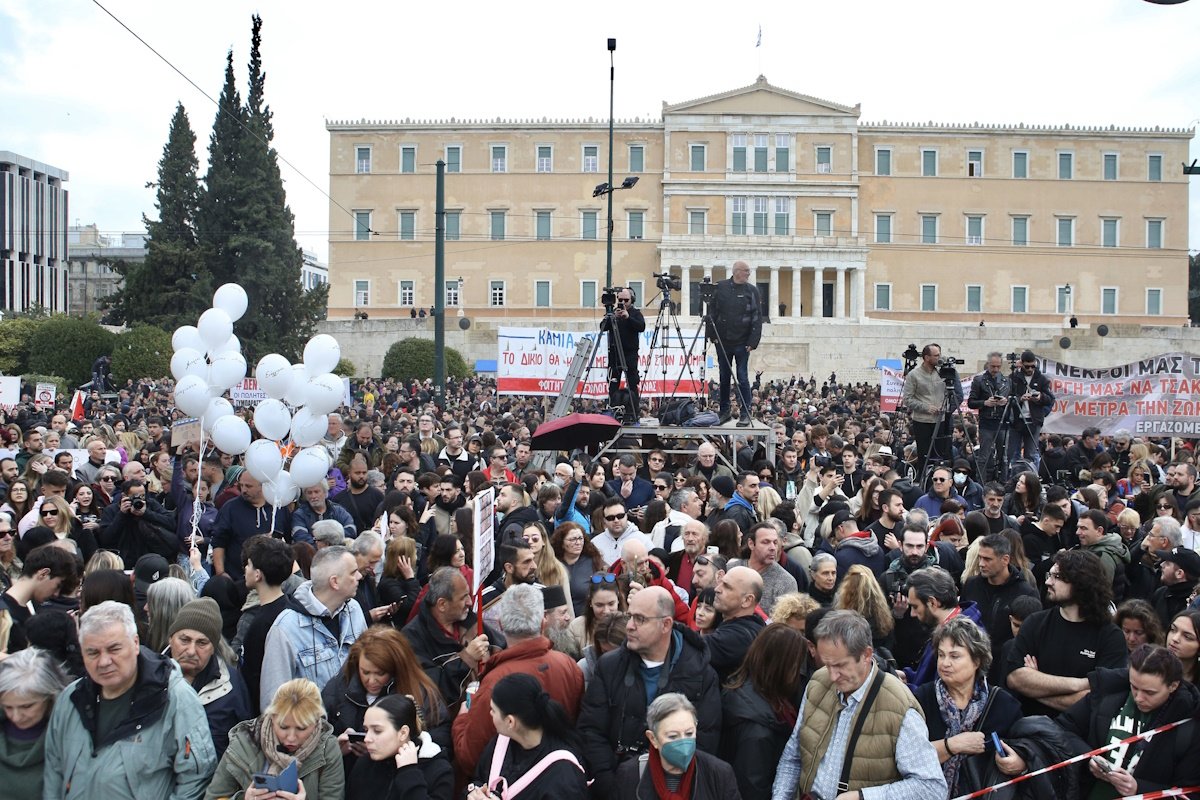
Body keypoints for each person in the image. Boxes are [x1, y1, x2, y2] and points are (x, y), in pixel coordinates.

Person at [44, 600, 217, 800]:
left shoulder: (175, 699)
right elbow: (54, 771)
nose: (104, 662)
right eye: (93, 652)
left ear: (135, 643)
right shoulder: (71, 699)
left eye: (114, 649)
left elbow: (196, 779)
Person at [771, 610, 947, 800]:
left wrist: (862, 797)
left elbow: (931, 787)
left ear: (866, 655)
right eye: (827, 664)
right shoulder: (818, 683)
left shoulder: (899, 706)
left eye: (840, 666)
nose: (831, 676)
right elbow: (793, 755)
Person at [578, 586, 722, 798]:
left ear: (666, 624)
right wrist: (610, 783)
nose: (629, 626)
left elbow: (705, 739)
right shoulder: (609, 666)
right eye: (629, 617)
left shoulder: (700, 674)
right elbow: (591, 730)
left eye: (640, 619)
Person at [452, 583, 584, 776]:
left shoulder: (495, 682)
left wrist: (462, 719)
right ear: (542, 623)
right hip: (561, 775)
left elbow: (470, 756)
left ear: (501, 624)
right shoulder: (568, 666)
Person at [1055, 643, 1200, 798]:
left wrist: (1139, 788)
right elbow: (1063, 728)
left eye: (1149, 693)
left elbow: (1189, 791)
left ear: (1173, 686)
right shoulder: (1109, 694)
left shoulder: (1189, 724)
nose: (1139, 698)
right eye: (1134, 687)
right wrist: (1087, 758)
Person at [911, 616, 1025, 796]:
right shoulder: (921, 699)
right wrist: (951, 745)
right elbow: (907, 756)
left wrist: (1019, 763)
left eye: (954, 656)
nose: (945, 663)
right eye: (941, 655)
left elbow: (1022, 751)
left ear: (977, 660)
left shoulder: (1004, 706)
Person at [1005, 550, 1127, 715]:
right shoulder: (1035, 623)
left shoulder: (1110, 636)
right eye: (1050, 574)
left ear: (1081, 584)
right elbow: (1015, 679)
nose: (1048, 581)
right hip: (1027, 729)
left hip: (1077, 735)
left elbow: (1097, 701)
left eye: (1057, 577)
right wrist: (1078, 684)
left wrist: (1035, 686)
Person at [323, 626, 448, 775]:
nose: (371, 680)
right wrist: (335, 748)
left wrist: (395, 748)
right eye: (365, 672)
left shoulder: (421, 693)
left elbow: (442, 740)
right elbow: (318, 737)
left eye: (380, 673)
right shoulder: (338, 688)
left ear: (396, 669)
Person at [259, 545, 368, 710]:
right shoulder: (285, 628)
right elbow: (273, 703)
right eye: (353, 572)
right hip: (315, 732)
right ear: (335, 582)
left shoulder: (354, 610)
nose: (359, 576)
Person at [204, 678, 344, 800]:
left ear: (316, 723)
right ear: (271, 717)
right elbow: (214, 796)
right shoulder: (244, 742)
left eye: (301, 728)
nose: (291, 737)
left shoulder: (327, 748)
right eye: (283, 727)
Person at [720, 623, 808, 799]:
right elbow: (752, 788)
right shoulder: (758, 731)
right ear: (783, 666)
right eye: (796, 665)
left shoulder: (742, 686)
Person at [469, 673, 588, 800]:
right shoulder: (501, 743)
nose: (490, 713)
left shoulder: (563, 774)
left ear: (510, 722)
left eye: (493, 710)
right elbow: (478, 779)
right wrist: (474, 793)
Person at [402, 567, 499, 708]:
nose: (469, 602)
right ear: (442, 604)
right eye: (463, 597)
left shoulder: (471, 620)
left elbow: (500, 647)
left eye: (468, 595)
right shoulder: (412, 637)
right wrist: (466, 658)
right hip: (447, 723)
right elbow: (428, 690)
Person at [615, 692, 742, 799]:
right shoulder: (630, 774)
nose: (683, 742)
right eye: (672, 736)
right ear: (653, 738)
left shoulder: (718, 774)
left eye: (689, 733)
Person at [168, 596, 251, 757]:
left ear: (213, 647)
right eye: (184, 640)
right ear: (171, 639)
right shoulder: (149, 679)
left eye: (201, 643)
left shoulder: (232, 688)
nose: (191, 651)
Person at [960, 533, 1040, 684]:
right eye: (980, 557)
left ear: (1005, 560)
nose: (981, 563)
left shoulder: (1025, 592)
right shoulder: (971, 585)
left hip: (1004, 672)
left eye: (987, 559)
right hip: (971, 669)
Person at [349, 693, 453, 800]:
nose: (367, 738)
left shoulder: (439, 769)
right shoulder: (365, 763)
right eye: (366, 730)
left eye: (377, 731)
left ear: (403, 733)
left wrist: (409, 772)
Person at [0, 647, 72, 799]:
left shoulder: (70, 735)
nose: (16, 716)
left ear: (50, 698)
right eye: (7, 707)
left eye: (27, 706)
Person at [708, 260, 762, 427]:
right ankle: (724, 412)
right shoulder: (721, 287)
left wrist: (753, 341)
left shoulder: (752, 291)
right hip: (723, 341)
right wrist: (712, 335)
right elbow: (712, 311)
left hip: (742, 342)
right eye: (746, 271)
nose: (748, 274)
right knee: (724, 377)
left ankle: (745, 412)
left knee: (742, 377)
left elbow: (757, 317)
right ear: (737, 271)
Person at [1, 543, 79, 653]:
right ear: (43, 574)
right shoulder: (3, 613)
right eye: (58, 585)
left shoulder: (27, 611)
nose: (56, 594)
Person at [902, 343, 962, 480]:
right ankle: (925, 479)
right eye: (935, 355)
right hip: (922, 421)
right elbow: (907, 399)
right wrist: (925, 407)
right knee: (924, 454)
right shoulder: (914, 375)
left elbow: (955, 392)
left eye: (939, 354)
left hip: (940, 421)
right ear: (926, 357)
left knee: (941, 453)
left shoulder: (943, 372)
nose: (938, 358)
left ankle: (941, 478)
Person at [706, 565, 766, 682]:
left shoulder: (740, 637)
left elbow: (691, 649)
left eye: (727, 587)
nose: (717, 589)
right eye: (720, 583)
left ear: (747, 600)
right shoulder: (752, 626)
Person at [601, 286, 645, 422]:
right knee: (613, 383)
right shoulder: (614, 313)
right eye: (620, 300)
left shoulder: (635, 313)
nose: (623, 303)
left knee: (632, 383)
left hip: (629, 354)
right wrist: (612, 317)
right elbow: (602, 327)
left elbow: (641, 327)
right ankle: (613, 410)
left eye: (626, 300)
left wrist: (628, 318)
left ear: (632, 300)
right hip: (615, 355)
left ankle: (633, 412)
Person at [967, 352, 1015, 481]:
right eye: (993, 366)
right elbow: (971, 402)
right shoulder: (979, 380)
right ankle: (981, 484)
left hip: (1002, 422)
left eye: (998, 366)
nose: (995, 369)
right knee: (983, 456)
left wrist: (1006, 402)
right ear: (988, 365)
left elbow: (1015, 402)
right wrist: (985, 403)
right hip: (986, 423)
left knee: (1003, 457)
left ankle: (1002, 483)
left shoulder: (1007, 381)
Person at [1008, 351, 1054, 469]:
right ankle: (1014, 477)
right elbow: (1007, 397)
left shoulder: (1042, 379)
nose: (1030, 369)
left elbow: (1050, 399)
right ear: (1021, 364)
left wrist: (1040, 398)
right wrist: (1020, 399)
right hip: (1017, 420)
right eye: (1027, 366)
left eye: (1032, 366)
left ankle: (1032, 480)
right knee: (1014, 454)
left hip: (1033, 420)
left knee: (1031, 454)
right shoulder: (1014, 378)